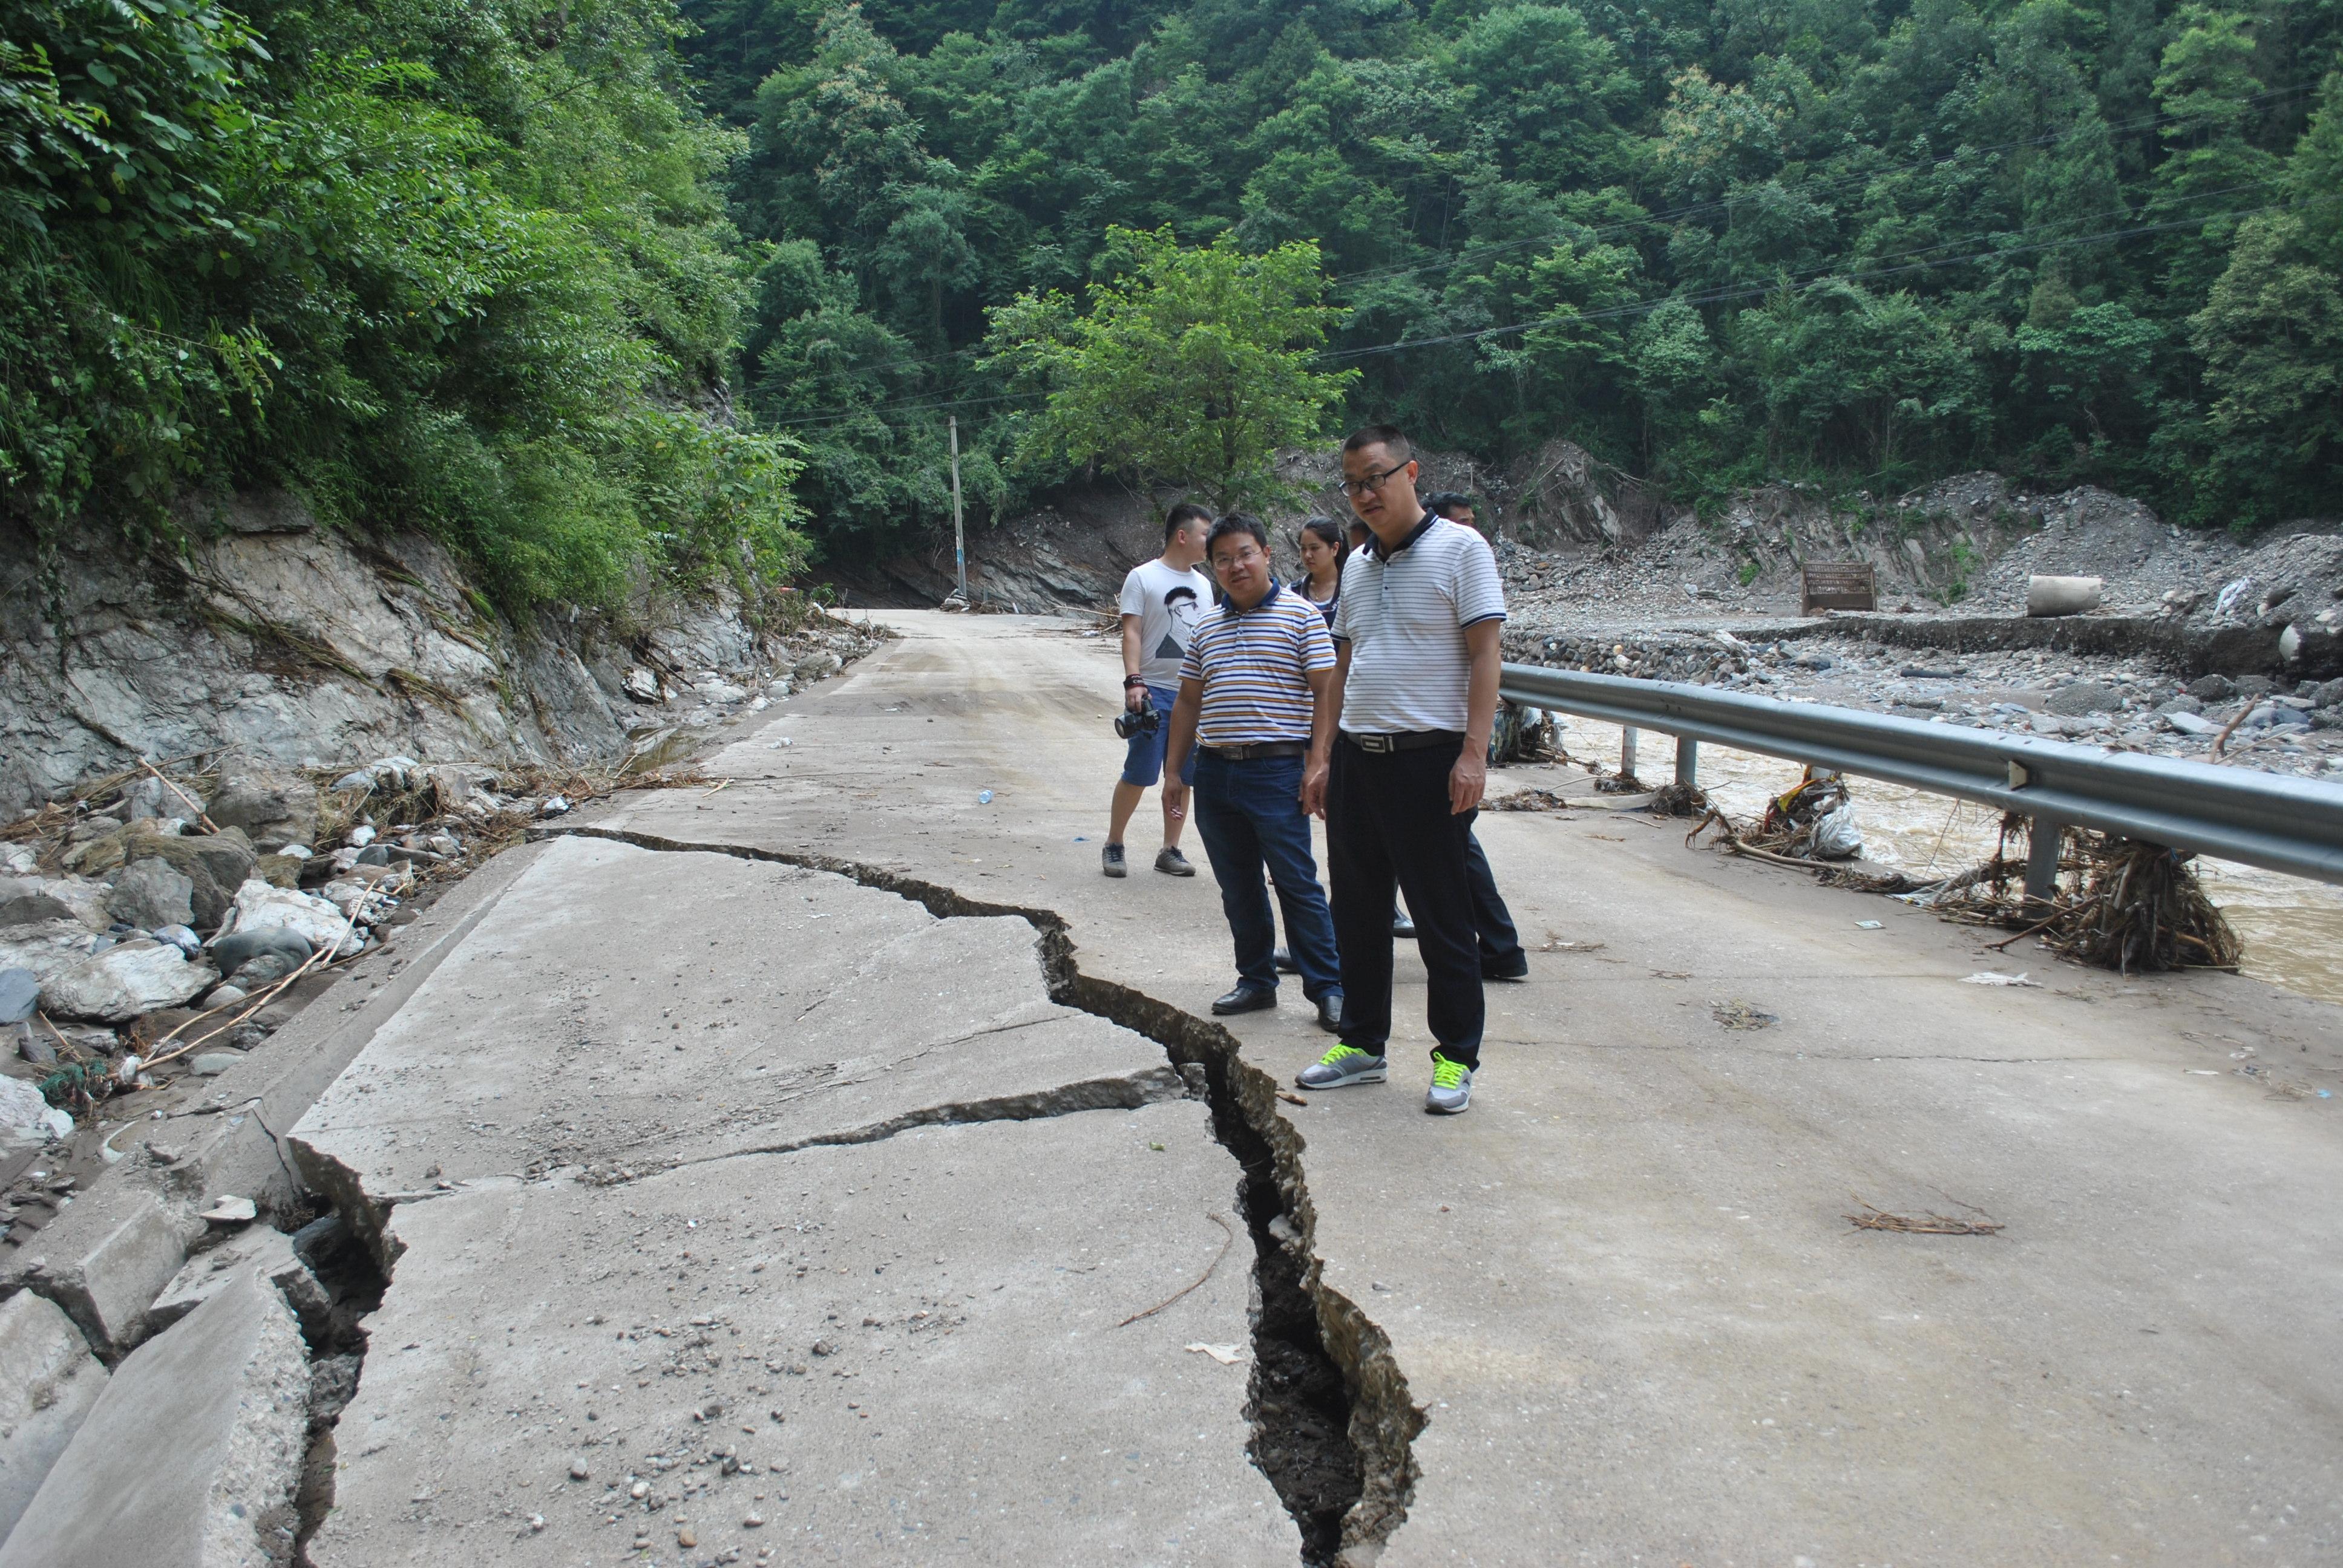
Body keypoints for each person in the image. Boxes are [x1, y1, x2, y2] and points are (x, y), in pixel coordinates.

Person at [1298, 424, 1507, 1115]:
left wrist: (1473, 754)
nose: (1364, 494)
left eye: (1376, 478)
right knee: (1355, 911)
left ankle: (1454, 1058)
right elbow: (1344, 665)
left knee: (1442, 916)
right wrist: (1323, 756)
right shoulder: (1356, 564)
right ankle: (1361, 1044)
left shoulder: (1461, 549)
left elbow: (1485, 655)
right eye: (1353, 483)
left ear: (1410, 473)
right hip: (1361, 757)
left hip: (1430, 760)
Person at [1161, 515, 1345, 1032]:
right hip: (1215, 771)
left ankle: (1328, 988)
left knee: (1296, 882)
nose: (1234, 566)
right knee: (1237, 884)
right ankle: (1257, 980)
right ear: (1212, 566)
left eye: (1244, 554)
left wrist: (1319, 761)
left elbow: (1325, 693)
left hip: (1278, 771)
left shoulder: (1302, 617)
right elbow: (1187, 704)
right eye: (1222, 559)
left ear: (1266, 553)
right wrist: (1175, 772)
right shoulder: (1206, 627)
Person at [1104, 502, 1213, 878]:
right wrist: (1134, 680)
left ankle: (1170, 849)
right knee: (1141, 771)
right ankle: (1115, 843)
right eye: (1205, 535)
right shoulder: (1142, 577)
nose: (1209, 543)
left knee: (1183, 777)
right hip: (1152, 691)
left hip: (1193, 694)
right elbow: (1131, 631)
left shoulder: (1204, 585)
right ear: (1182, 536)